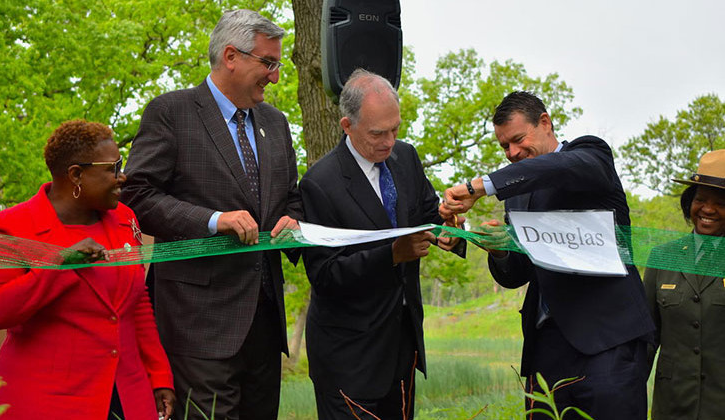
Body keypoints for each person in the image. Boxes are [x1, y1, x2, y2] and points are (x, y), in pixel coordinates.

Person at [119, 9, 302, 419]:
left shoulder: (276, 123)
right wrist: (213, 220)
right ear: (232, 56)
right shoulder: (171, 112)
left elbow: (292, 197)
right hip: (196, 325)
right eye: (268, 63)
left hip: (264, 324)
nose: (275, 76)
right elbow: (137, 197)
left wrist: (293, 220)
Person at [440, 91, 654, 419]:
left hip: (608, 343)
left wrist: (479, 186)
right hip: (546, 350)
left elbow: (559, 168)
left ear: (545, 123)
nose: (512, 153)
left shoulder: (590, 155)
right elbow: (517, 274)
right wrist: (498, 250)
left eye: (518, 139)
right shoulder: (517, 198)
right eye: (503, 147)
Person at [0, 120, 175, 420]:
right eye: (112, 168)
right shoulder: (12, 227)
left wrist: (159, 374)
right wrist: (58, 267)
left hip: (126, 394)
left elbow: (136, 303)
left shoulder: (125, 219)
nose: (122, 176)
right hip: (46, 401)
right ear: (76, 175)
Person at [300, 69, 464, 420]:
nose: (389, 141)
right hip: (348, 357)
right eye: (378, 133)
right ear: (347, 125)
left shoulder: (406, 158)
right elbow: (325, 275)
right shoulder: (319, 183)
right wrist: (391, 256)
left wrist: (447, 229)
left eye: (395, 129)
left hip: (402, 349)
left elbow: (426, 213)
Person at [644, 149, 725, 420]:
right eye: (700, 199)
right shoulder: (662, 256)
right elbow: (647, 338)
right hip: (672, 406)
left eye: (720, 203)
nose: (708, 209)